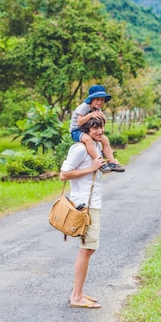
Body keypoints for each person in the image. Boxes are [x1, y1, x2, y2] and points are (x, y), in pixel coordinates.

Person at [60, 116, 107, 309]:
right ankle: (76, 297)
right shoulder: (80, 148)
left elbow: (96, 172)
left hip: (93, 203)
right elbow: (64, 174)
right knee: (86, 248)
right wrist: (91, 168)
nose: (99, 131)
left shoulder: (95, 148)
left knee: (90, 248)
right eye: (94, 128)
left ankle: (77, 293)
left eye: (101, 127)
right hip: (83, 205)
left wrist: (106, 166)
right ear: (86, 131)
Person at [69, 84, 125, 173]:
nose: (100, 102)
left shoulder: (98, 109)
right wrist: (90, 115)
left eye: (102, 100)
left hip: (88, 130)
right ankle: (100, 162)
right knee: (88, 140)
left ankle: (111, 162)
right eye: (97, 99)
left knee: (105, 140)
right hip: (77, 131)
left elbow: (101, 120)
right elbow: (79, 122)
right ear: (91, 99)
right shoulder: (84, 106)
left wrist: (102, 118)